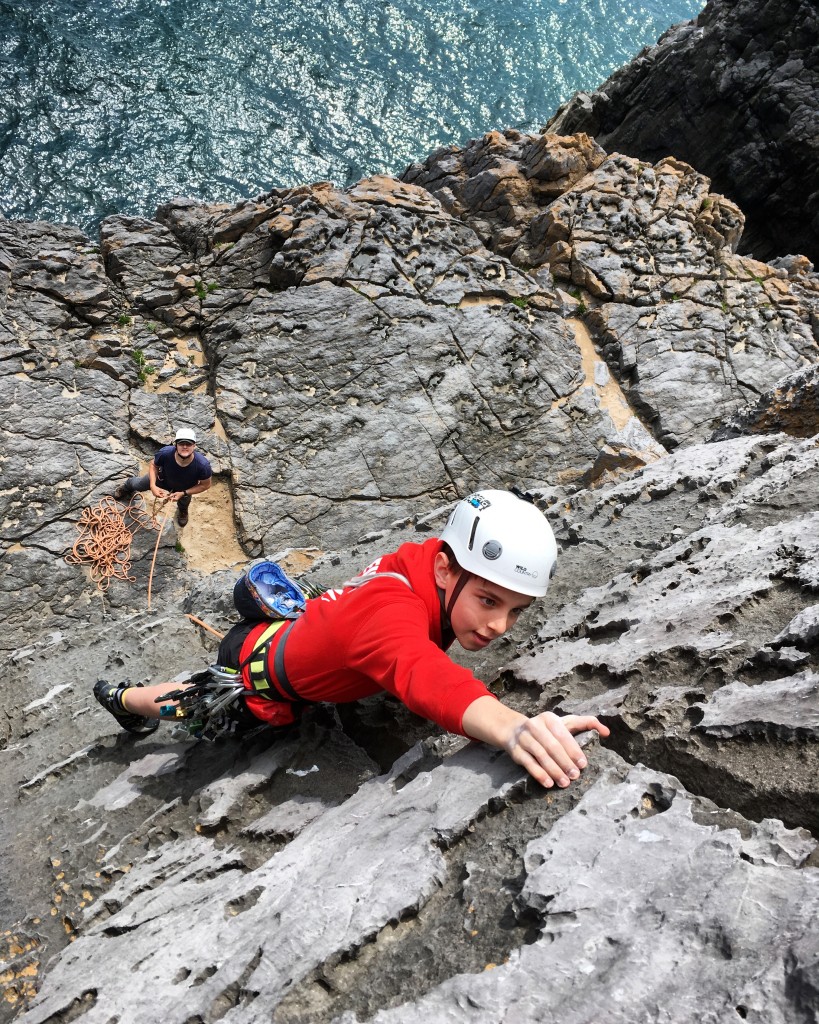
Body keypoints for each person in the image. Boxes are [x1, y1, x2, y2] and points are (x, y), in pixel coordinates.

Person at [94, 489, 609, 789]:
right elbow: (421, 671)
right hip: (254, 669)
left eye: (516, 611)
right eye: (490, 602)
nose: (499, 626)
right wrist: (513, 728)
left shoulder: (426, 562)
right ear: (445, 570)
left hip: (300, 632)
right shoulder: (390, 614)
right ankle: (122, 700)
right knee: (191, 703)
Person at [114, 426, 212, 527]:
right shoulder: (165, 453)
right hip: (161, 479)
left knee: (184, 502)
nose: (185, 447)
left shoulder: (202, 465)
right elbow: (153, 465)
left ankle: (183, 512)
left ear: (194, 446)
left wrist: (183, 493)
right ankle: (126, 487)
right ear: (176, 445)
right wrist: (153, 485)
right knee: (137, 484)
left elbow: (205, 485)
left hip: (184, 488)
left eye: (189, 444)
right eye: (181, 443)